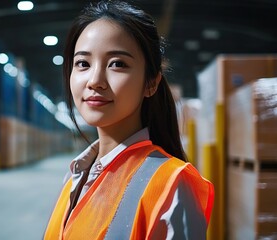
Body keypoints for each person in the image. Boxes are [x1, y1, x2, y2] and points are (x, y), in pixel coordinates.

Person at [44, 1, 214, 239]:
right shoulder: (76, 176)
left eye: (117, 64)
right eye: (83, 63)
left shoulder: (172, 184)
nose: (95, 80)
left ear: (151, 83)